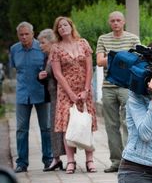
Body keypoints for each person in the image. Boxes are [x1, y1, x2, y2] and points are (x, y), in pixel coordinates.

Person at [50, 17, 97, 174]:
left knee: (86, 122)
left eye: (65, 25)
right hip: (65, 91)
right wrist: (70, 93)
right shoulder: (56, 48)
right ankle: (70, 161)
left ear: (71, 26)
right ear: (57, 31)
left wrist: (86, 90)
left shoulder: (83, 43)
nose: (63, 28)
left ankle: (90, 159)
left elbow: (89, 68)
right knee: (68, 125)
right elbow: (57, 74)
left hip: (84, 89)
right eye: (59, 27)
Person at [97, 11, 141, 173]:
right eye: (113, 21)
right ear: (110, 23)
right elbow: (99, 61)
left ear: (124, 22)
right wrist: (123, 58)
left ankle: (129, 160)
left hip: (126, 86)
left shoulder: (133, 38)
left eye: (118, 20)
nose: (116, 23)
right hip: (108, 87)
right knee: (111, 125)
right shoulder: (103, 39)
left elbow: (137, 61)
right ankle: (116, 161)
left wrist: (112, 57)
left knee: (128, 123)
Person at [9, 21, 52, 173]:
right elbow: (15, 68)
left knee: (46, 128)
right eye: (21, 35)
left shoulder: (41, 48)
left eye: (27, 34)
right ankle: (21, 163)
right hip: (22, 94)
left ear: (33, 34)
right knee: (21, 129)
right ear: (18, 35)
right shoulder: (14, 49)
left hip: (41, 92)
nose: (24, 37)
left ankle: (48, 160)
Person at [37, 29, 66, 172]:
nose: (40, 45)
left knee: (58, 127)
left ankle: (59, 158)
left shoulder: (55, 53)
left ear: (51, 41)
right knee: (55, 128)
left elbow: (60, 73)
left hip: (60, 95)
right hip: (53, 94)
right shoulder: (47, 56)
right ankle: (56, 158)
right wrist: (41, 76)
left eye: (42, 42)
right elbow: (47, 77)